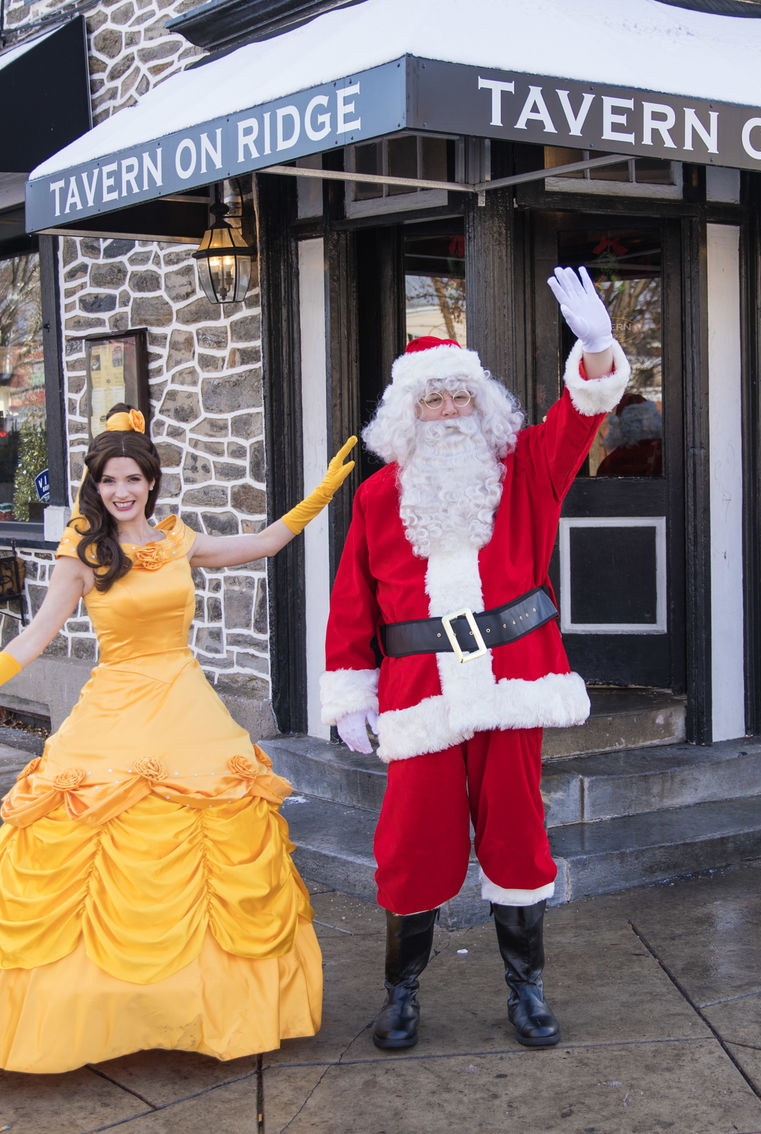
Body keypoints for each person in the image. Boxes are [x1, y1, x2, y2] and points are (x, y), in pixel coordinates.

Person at [0, 406, 356, 1073]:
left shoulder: (177, 540)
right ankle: (96, 1017)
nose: (122, 490)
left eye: (133, 478)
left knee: (210, 844)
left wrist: (316, 498)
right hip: (114, 709)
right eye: (110, 479)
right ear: (96, 484)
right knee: (90, 848)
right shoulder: (83, 552)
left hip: (186, 706)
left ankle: (199, 1013)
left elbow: (258, 545)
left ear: (150, 482)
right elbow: (38, 633)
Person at [320, 266, 629, 1050]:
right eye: (434, 399)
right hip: (419, 691)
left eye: (460, 396)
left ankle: (526, 987)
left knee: (519, 838)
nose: (450, 410)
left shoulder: (526, 465)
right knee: (410, 844)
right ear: (409, 415)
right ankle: (402, 993)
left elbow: (579, 416)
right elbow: (354, 598)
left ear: (480, 402)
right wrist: (350, 692)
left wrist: (595, 348)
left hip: (514, 684)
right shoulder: (376, 497)